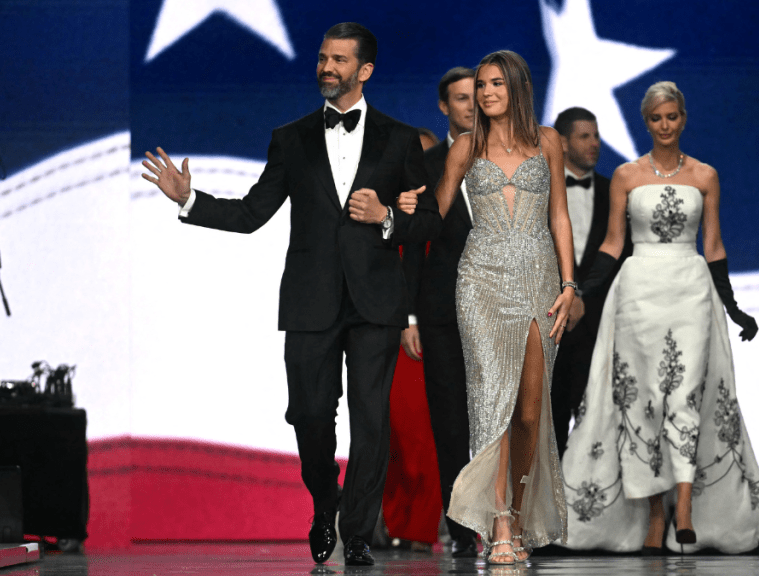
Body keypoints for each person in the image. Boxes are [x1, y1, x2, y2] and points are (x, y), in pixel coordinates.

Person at [140, 22, 441, 567]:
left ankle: (357, 532)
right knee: (308, 414)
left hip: (375, 300)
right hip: (310, 298)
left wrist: (386, 218)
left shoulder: (399, 139)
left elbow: (429, 224)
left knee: (372, 420)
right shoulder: (291, 136)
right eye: (323, 58)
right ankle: (324, 504)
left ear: (365, 70)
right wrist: (190, 201)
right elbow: (253, 213)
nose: (327, 67)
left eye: (339, 61)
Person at [559, 81, 759, 555]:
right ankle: (654, 517)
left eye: (672, 117)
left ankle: (685, 509)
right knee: (643, 402)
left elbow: (713, 245)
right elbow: (612, 244)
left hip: (691, 290)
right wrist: (581, 293)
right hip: (637, 294)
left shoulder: (705, 176)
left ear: (683, 119)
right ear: (645, 122)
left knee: (686, 394)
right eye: (656, 119)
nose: (665, 126)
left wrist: (732, 306)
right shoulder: (627, 177)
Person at [399, 50, 575, 565]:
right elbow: (435, 216)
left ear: (516, 87)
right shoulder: (465, 148)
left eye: (495, 84)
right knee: (491, 402)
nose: (485, 93)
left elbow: (560, 215)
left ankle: (518, 515)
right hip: (479, 281)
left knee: (528, 411)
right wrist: (405, 211)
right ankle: (498, 523)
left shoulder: (548, 141)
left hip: (540, 279)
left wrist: (569, 283)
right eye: (480, 85)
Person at [400, 66, 480, 558]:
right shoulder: (423, 165)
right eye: (462, 98)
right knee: (450, 419)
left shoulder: (510, 156)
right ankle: (462, 527)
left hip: (502, 307)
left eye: (479, 95)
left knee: (502, 417)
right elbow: (410, 248)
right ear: (443, 107)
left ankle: (507, 521)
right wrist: (409, 318)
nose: (472, 104)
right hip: (441, 307)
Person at [550, 107, 632, 456]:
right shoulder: (538, 192)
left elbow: (624, 258)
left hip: (599, 326)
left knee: (596, 426)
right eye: (585, 136)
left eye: (596, 135)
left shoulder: (616, 191)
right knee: (547, 426)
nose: (595, 144)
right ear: (563, 144)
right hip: (550, 324)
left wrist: (584, 298)